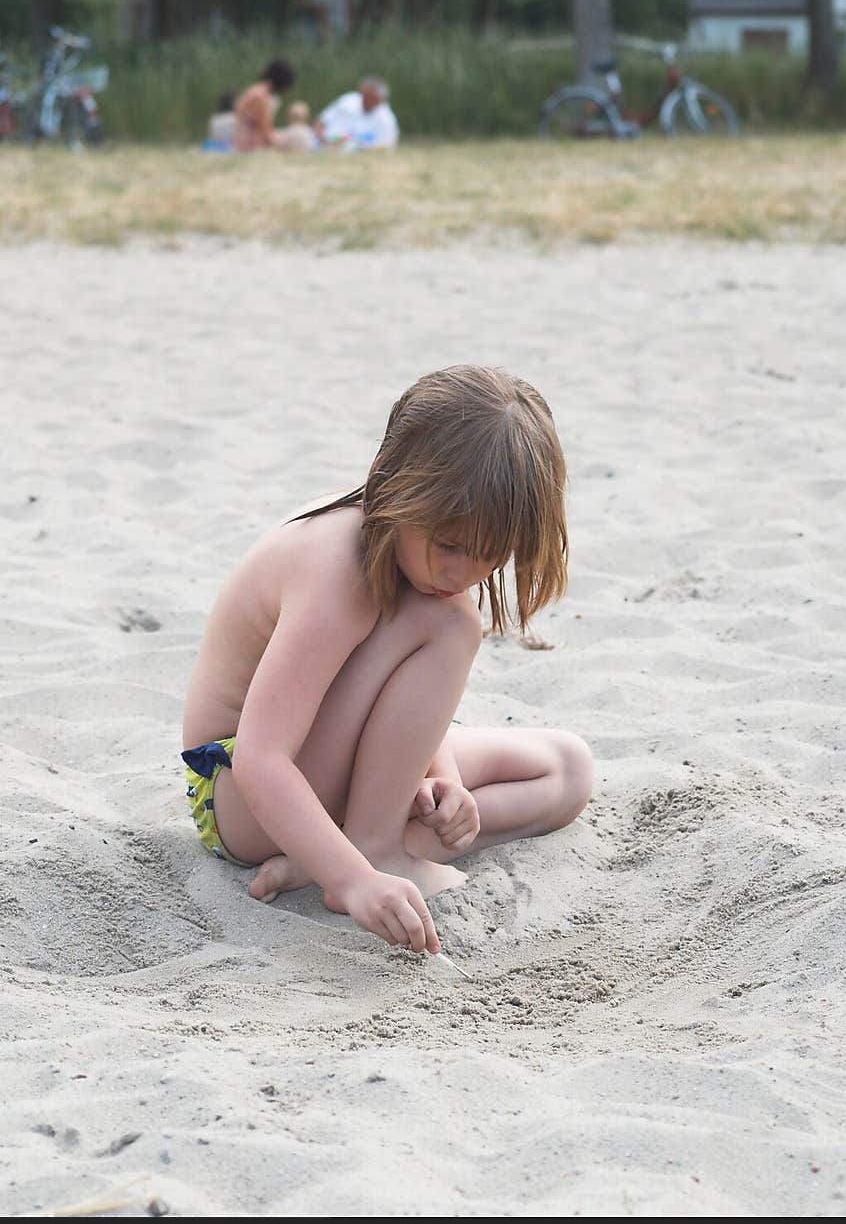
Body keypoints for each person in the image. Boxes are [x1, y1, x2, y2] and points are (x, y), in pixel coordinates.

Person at [181, 366, 593, 956]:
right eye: (449, 546)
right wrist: (355, 883)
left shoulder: (423, 554)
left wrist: (443, 780)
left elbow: (399, 699)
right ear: (389, 483)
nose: (465, 574)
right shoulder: (334, 573)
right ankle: (367, 852)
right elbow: (262, 758)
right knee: (449, 622)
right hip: (240, 797)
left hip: (320, 773)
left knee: (566, 771)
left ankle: (327, 853)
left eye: (490, 554)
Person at [316, 76, 399, 151]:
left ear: (380, 99)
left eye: (370, 97)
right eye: (364, 95)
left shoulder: (386, 118)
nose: (365, 100)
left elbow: (387, 145)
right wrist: (323, 141)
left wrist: (359, 148)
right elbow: (321, 121)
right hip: (323, 146)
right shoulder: (348, 101)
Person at [233, 58, 295, 152]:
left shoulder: (255, 90)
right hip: (250, 146)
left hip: (242, 141)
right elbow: (265, 130)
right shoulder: (261, 97)